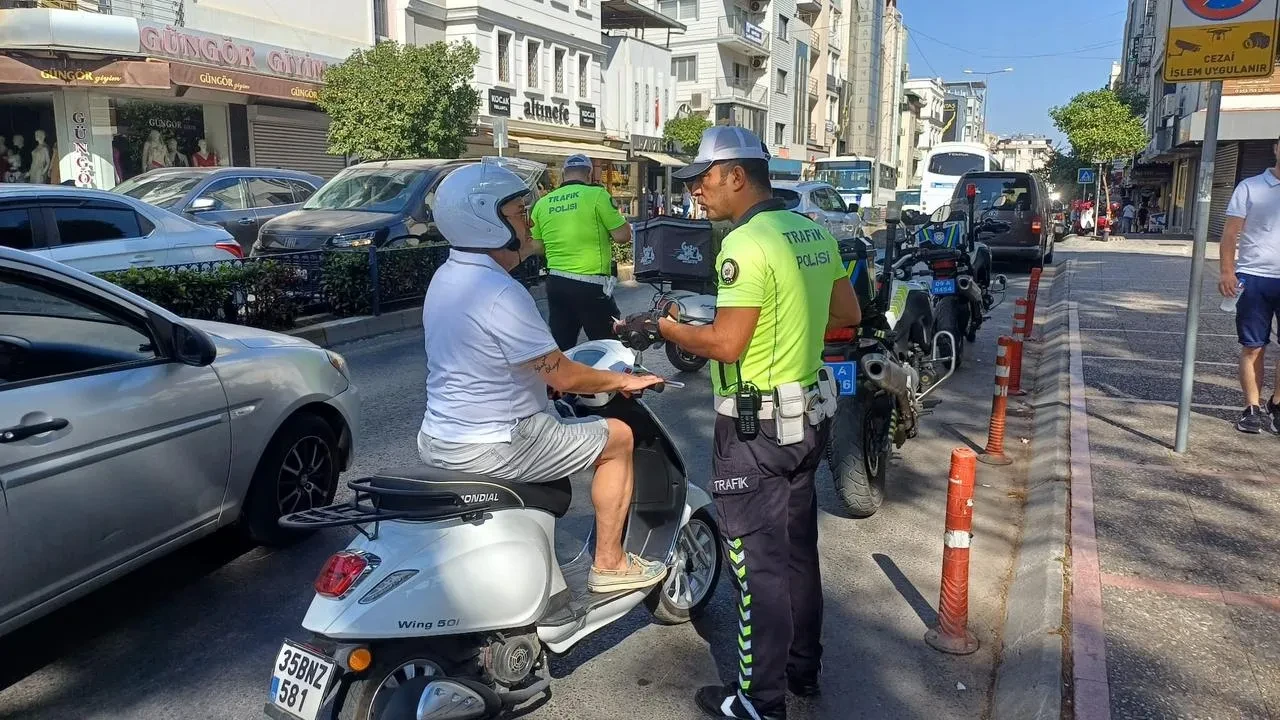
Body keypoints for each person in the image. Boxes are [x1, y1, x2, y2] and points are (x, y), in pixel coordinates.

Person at [626, 127, 861, 720]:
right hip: (808, 418)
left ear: (735, 175)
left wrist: (667, 329)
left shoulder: (744, 243)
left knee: (757, 568)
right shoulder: (810, 231)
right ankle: (803, 670)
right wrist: (789, 319)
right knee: (798, 551)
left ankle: (760, 702)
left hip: (754, 431)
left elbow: (727, 345)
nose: (695, 191)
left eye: (701, 178)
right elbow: (847, 311)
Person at [418, 159, 667, 593]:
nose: (529, 223)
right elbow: (564, 375)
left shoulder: (447, 277)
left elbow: (495, 361)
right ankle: (610, 564)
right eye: (519, 213)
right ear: (487, 221)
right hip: (497, 442)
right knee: (618, 439)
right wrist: (623, 381)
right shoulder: (500, 292)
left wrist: (545, 383)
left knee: (559, 414)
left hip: (440, 436)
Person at [532, 154, 633, 350]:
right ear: (590, 174)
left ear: (563, 175)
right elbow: (622, 236)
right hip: (591, 285)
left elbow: (537, 246)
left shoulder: (543, 203)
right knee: (609, 346)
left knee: (562, 346)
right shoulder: (598, 196)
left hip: (556, 284)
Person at [1219, 135, 1280, 434]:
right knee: (1253, 346)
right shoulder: (1250, 187)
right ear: (1276, 148)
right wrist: (1227, 272)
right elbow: (1230, 234)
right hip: (1254, 277)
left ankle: (1277, 404)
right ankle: (1252, 408)